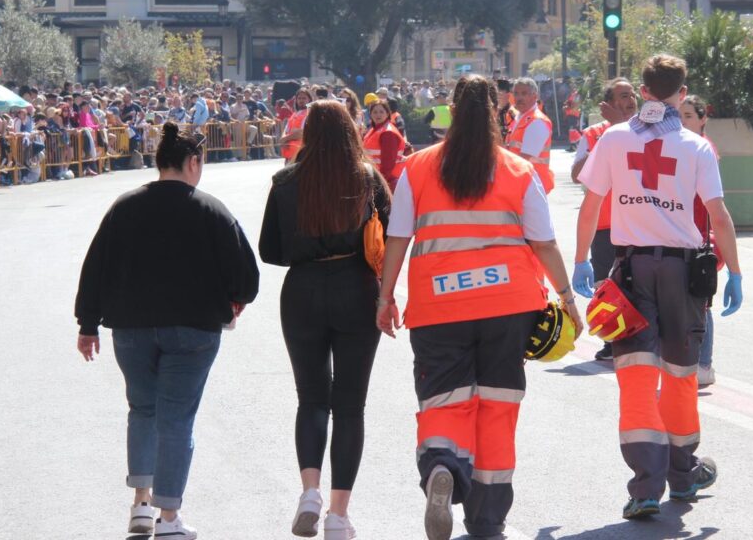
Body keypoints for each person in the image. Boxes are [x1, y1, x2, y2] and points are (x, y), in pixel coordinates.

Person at [376, 74, 582, 540]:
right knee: (497, 405)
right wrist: (568, 299)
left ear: (451, 108)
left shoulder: (417, 167)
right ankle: (488, 518)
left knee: (444, 400)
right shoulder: (516, 169)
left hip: (438, 305)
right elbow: (544, 243)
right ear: (497, 112)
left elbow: (398, 239)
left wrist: (385, 297)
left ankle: (443, 467)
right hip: (509, 305)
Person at [572, 55, 742, 520]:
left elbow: (591, 208)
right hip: (684, 273)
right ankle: (683, 475)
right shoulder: (696, 146)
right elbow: (720, 216)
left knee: (635, 377)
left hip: (629, 270)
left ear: (643, 92)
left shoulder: (612, 138)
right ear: (681, 94)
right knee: (681, 375)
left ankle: (645, 486)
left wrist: (581, 260)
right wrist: (737, 272)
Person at [74, 123, 260, 540]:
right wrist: (233, 300)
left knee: (142, 409)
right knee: (177, 420)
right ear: (193, 162)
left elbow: (95, 268)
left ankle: (141, 504)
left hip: (131, 329)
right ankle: (170, 520)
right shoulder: (213, 210)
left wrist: (88, 324)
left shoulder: (123, 207)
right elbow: (246, 279)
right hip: (194, 331)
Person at [259, 101, 389, 540]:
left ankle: (310, 491)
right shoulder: (367, 178)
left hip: (302, 292)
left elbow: (270, 251)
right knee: (350, 406)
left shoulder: (285, 181)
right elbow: (392, 237)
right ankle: (338, 514)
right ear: (350, 130)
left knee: (311, 399)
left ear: (308, 133)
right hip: (356, 288)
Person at [570, 77, 638, 361]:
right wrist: (610, 131)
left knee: (636, 285)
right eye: (623, 95)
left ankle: (638, 340)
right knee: (606, 289)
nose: (630, 100)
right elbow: (577, 174)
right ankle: (612, 342)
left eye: (632, 94)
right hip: (603, 224)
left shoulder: (648, 130)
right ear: (608, 104)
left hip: (637, 224)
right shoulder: (593, 133)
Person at [679, 94, 723, 387]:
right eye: (679, 115)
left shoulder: (704, 149)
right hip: (681, 235)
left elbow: (715, 207)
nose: (683, 122)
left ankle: (703, 364)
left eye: (689, 117)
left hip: (700, 240)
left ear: (703, 119)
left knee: (701, 305)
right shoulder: (681, 147)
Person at [506, 77, 555, 194]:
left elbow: (523, 159)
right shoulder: (520, 117)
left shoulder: (537, 121)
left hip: (532, 186)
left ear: (535, 96)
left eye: (524, 93)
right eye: (516, 93)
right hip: (525, 183)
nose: (519, 98)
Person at [364, 99, 405, 190]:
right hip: (376, 178)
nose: (378, 115)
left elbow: (388, 163)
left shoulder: (387, 133)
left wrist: (380, 183)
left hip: (387, 181)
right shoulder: (374, 130)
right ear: (370, 114)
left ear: (387, 114)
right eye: (374, 112)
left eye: (381, 112)